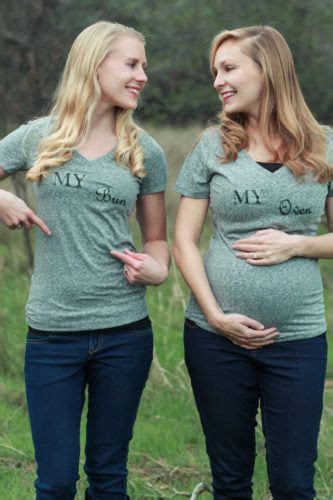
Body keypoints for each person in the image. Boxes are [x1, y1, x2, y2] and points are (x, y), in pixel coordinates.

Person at [0, 21, 169, 499]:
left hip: (125, 333)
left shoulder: (145, 151)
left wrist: (157, 268)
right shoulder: (39, 136)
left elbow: (157, 240)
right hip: (52, 336)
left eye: (145, 67)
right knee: (54, 482)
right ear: (94, 65)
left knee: (109, 477)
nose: (142, 77)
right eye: (131, 64)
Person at [173, 25, 333, 499]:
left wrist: (295, 246)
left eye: (229, 68)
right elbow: (184, 241)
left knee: (292, 481)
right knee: (230, 477)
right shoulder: (212, 146)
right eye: (214, 72)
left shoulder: (323, 145)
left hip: (297, 340)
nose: (218, 81)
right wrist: (216, 317)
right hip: (214, 340)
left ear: (269, 70)